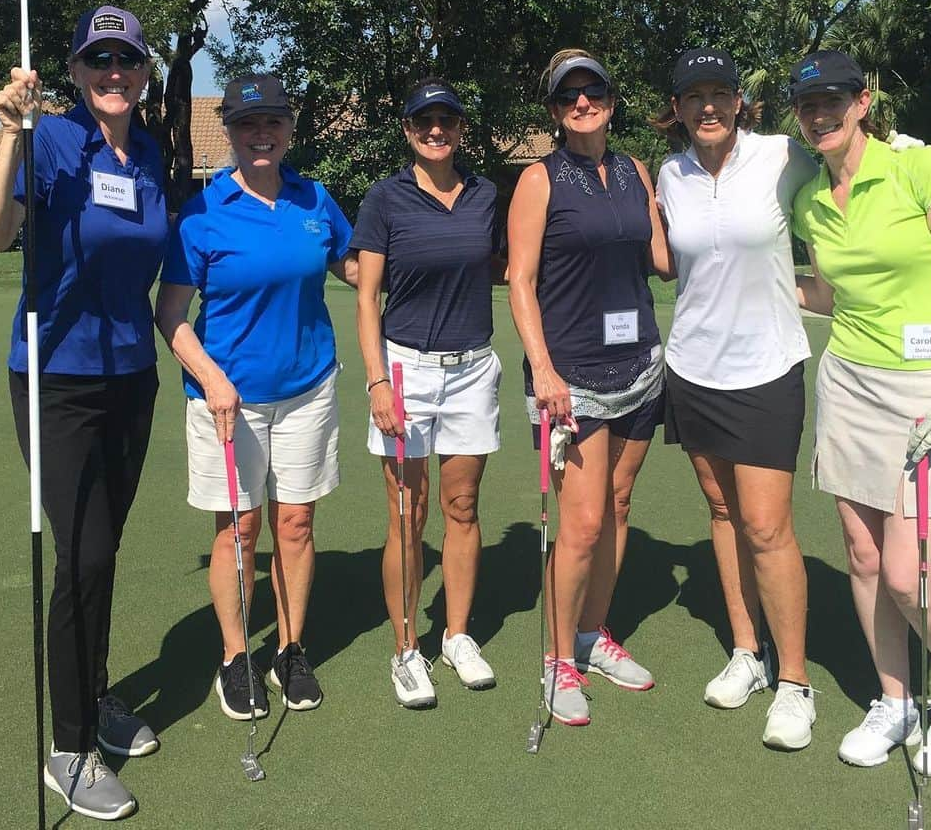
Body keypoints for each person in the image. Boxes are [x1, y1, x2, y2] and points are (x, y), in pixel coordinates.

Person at [0, 6, 166, 821]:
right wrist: (10, 132)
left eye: (126, 60)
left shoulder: (149, 153)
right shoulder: (48, 141)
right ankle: (70, 746)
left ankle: (98, 692)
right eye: (98, 61)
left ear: (145, 72)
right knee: (79, 558)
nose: (113, 73)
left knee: (103, 550)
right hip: (57, 380)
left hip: (131, 379)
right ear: (77, 72)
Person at [791, 49, 931, 777]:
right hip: (850, 383)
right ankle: (895, 698)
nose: (820, 114)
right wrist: (757, 287)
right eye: (807, 104)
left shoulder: (921, 168)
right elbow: (827, 294)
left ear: (864, 101)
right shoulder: (810, 196)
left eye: (833, 100)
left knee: (911, 573)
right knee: (866, 555)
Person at [156, 74, 356, 719]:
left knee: (295, 524)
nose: (260, 134)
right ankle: (235, 656)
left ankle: (291, 649)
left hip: (307, 388)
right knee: (239, 530)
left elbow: (354, 267)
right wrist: (211, 377)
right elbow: (172, 313)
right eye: (247, 124)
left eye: (272, 122)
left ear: (290, 129)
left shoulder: (315, 200)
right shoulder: (203, 213)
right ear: (231, 134)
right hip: (227, 398)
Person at [653, 48, 818, 750]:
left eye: (721, 94)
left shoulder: (784, 157)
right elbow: (670, 260)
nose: (710, 107)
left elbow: (854, 171)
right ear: (679, 110)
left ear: (740, 104)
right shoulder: (670, 173)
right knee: (721, 510)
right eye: (696, 97)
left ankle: (795, 683)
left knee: (767, 527)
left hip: (767, 368)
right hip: (692, 367)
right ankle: (748, 654)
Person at [507, 49, 667, 727]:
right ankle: (557, 661)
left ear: (609, 98)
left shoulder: (636, 170)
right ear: (553, 109)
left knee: (620, 505)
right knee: (583, 523)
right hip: (570, 377)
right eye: (568, 95)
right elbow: (518, 281)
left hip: (639, 364)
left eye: (592, 90)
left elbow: (661, 257)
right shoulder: (540, 180)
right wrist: (542, 369)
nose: (582, 102)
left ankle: (591, 635)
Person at [353, 78, 502, 709]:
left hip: (472, 368)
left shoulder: (488, 194)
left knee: (461, 507)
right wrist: (378, 380)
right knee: (408, 516)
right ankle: (407, 648)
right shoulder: (386, 198)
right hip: (405, 369)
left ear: (460, 128)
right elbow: (366, 296)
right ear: (409, 129)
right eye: (423, 121)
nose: (435, 130)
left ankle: (458, 636)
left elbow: (510, 267)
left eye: (446, 120)